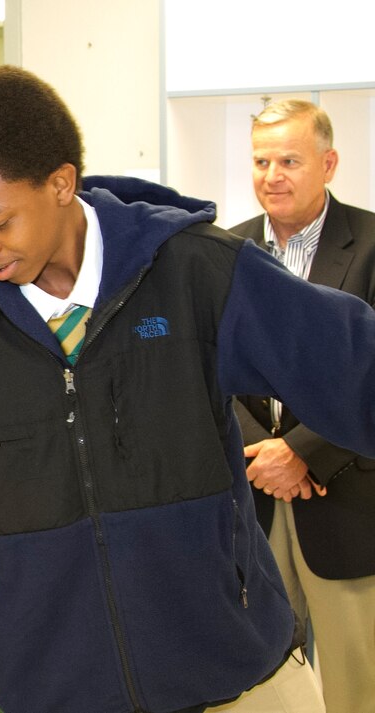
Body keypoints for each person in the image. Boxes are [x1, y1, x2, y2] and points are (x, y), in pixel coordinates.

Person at [0, 66, 375, 713]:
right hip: (55, 689)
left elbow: (355, 370)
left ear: (60, 183)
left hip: (229, 679)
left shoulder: (195, 272)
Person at [229, 99, 375, 713]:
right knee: (258, 679)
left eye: (290, 160)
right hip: (251, 496)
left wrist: (302, 451)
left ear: (329, 163)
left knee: (354, 683)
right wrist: (260, 452)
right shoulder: (224, 251)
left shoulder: (370, 245)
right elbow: (210, 367)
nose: (273, 175)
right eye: (262, 161)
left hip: (345, 498)